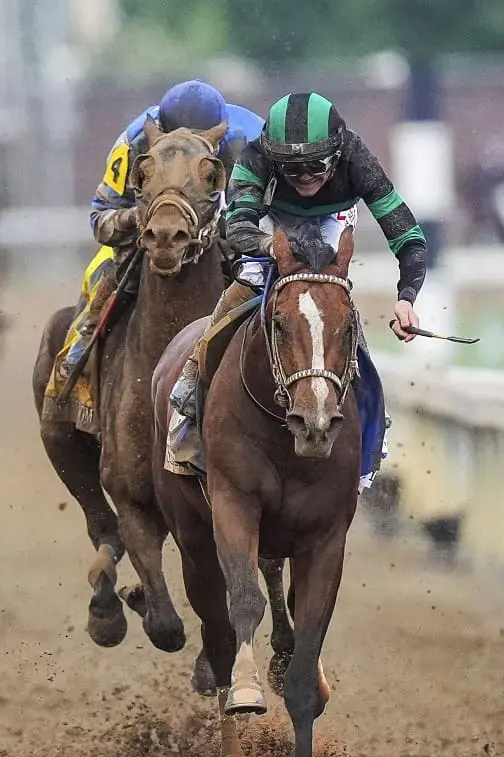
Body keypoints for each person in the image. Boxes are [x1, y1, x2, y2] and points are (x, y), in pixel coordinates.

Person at [164, 91, 427, 474]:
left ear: (336, 155)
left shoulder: (356, 157)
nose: (304, 176)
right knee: (237, 295)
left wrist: (406, 298)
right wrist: (274, 246)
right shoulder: (256, 156)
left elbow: (408, 237)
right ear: (274, 157)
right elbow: (237, 228)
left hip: (331, 222)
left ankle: (371, 425)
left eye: (315, 166)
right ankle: (188, 395)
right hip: (270, 225)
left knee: (339, 317)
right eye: (291, 168)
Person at [43, 80, 263, 422]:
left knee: (271, 281)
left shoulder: (251, 143)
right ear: (157, 134)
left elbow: (269, 220)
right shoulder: (133, 142)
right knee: (101, 270)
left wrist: (226, 227)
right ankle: (79, 355)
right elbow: (100, 219)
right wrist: (140, 217)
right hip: (149, 230)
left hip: (226, 227)